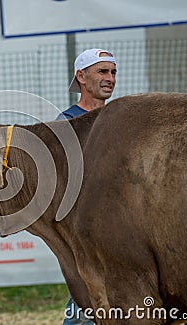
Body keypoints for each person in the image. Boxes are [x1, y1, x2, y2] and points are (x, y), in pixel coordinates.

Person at [57, 48, 117, 324]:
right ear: (81, 76)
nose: (110, 78)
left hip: (120, 230)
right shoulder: (65, 122)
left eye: (113, 72)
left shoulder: (118, 121)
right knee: (85, 301)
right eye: (102, 71)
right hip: (84, 234)